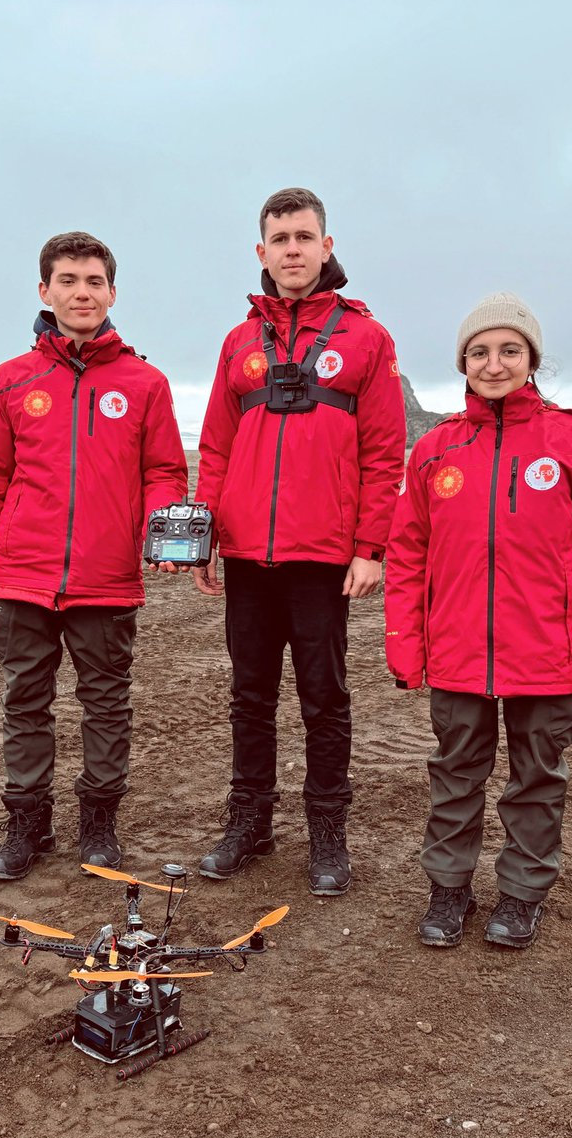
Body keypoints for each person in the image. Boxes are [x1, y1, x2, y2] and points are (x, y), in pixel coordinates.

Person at [385, 293, 572, 948]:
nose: (493, 364)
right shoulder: (436, 450)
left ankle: (523, 895)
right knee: (455, 772)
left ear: (531, 360)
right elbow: (408, 555)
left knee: (536, 779)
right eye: (479, 352)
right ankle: (448, 890)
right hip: (458, 650)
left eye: (509, 351)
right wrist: (406, 645)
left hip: (548, 653)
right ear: (462, 363)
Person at [192, 187, 406, 895]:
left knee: (325, 698)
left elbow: (384, 451)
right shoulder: (237, 342)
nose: (291, 250)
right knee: (250, 697)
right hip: (250, 556)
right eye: (279, 238)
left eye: (303, 237)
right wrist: (209, 537)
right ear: (262, 251)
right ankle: (249, 825)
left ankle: (327, 838)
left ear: (327, 246)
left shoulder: (365, 338)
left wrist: (370, 546)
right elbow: (216, 448)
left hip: (323, 558)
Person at [0, 231, 187, 881]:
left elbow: (165, 475)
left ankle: (99, 828)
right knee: (24, 703)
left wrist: (164, 536)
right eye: (68, 280)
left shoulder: (145, 382)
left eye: (93, 281)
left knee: (107, 705)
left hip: (107, 580)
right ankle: (27, 828)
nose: (81, 292)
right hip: (22, 579)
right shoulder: (12, 379)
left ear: (112, 293)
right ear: (45, 291)